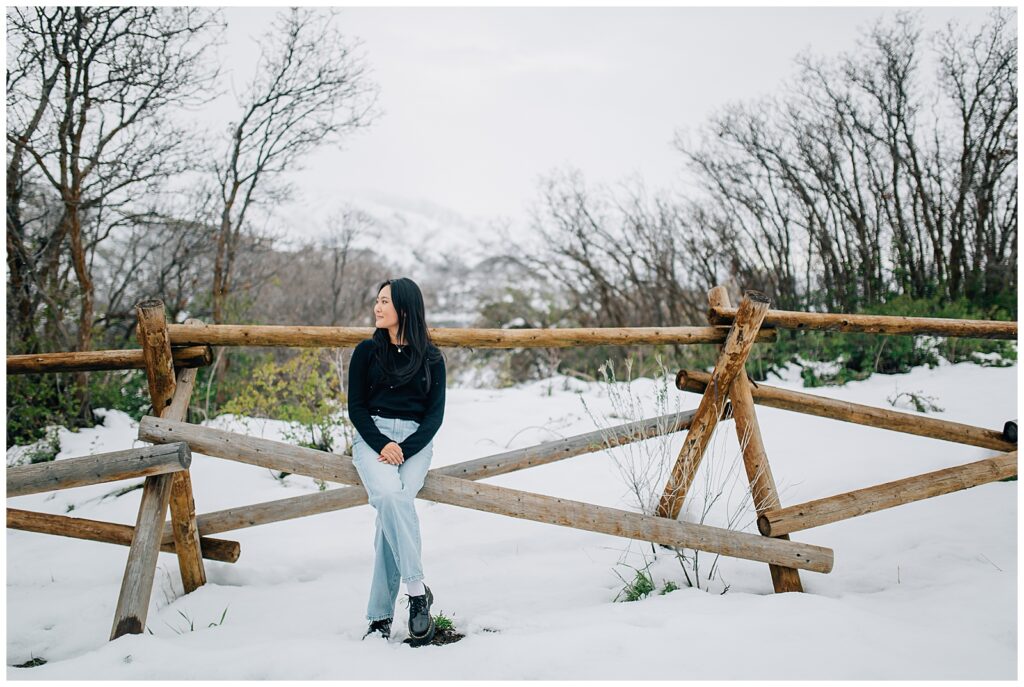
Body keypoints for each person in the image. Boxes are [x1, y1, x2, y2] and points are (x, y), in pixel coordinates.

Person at [347, 277, 446, 644]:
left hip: (416, 443)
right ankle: (418, 593)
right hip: (372, 437)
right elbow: (355, 407)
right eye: (377, 301)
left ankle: (379, 620)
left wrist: (405, 447)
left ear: (405, 308)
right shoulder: (366, 352)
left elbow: (434, 416)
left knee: (391, 515)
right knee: (391, 499)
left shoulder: (432, 358)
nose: (377, 307)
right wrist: (382, 443)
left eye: (385, 301)